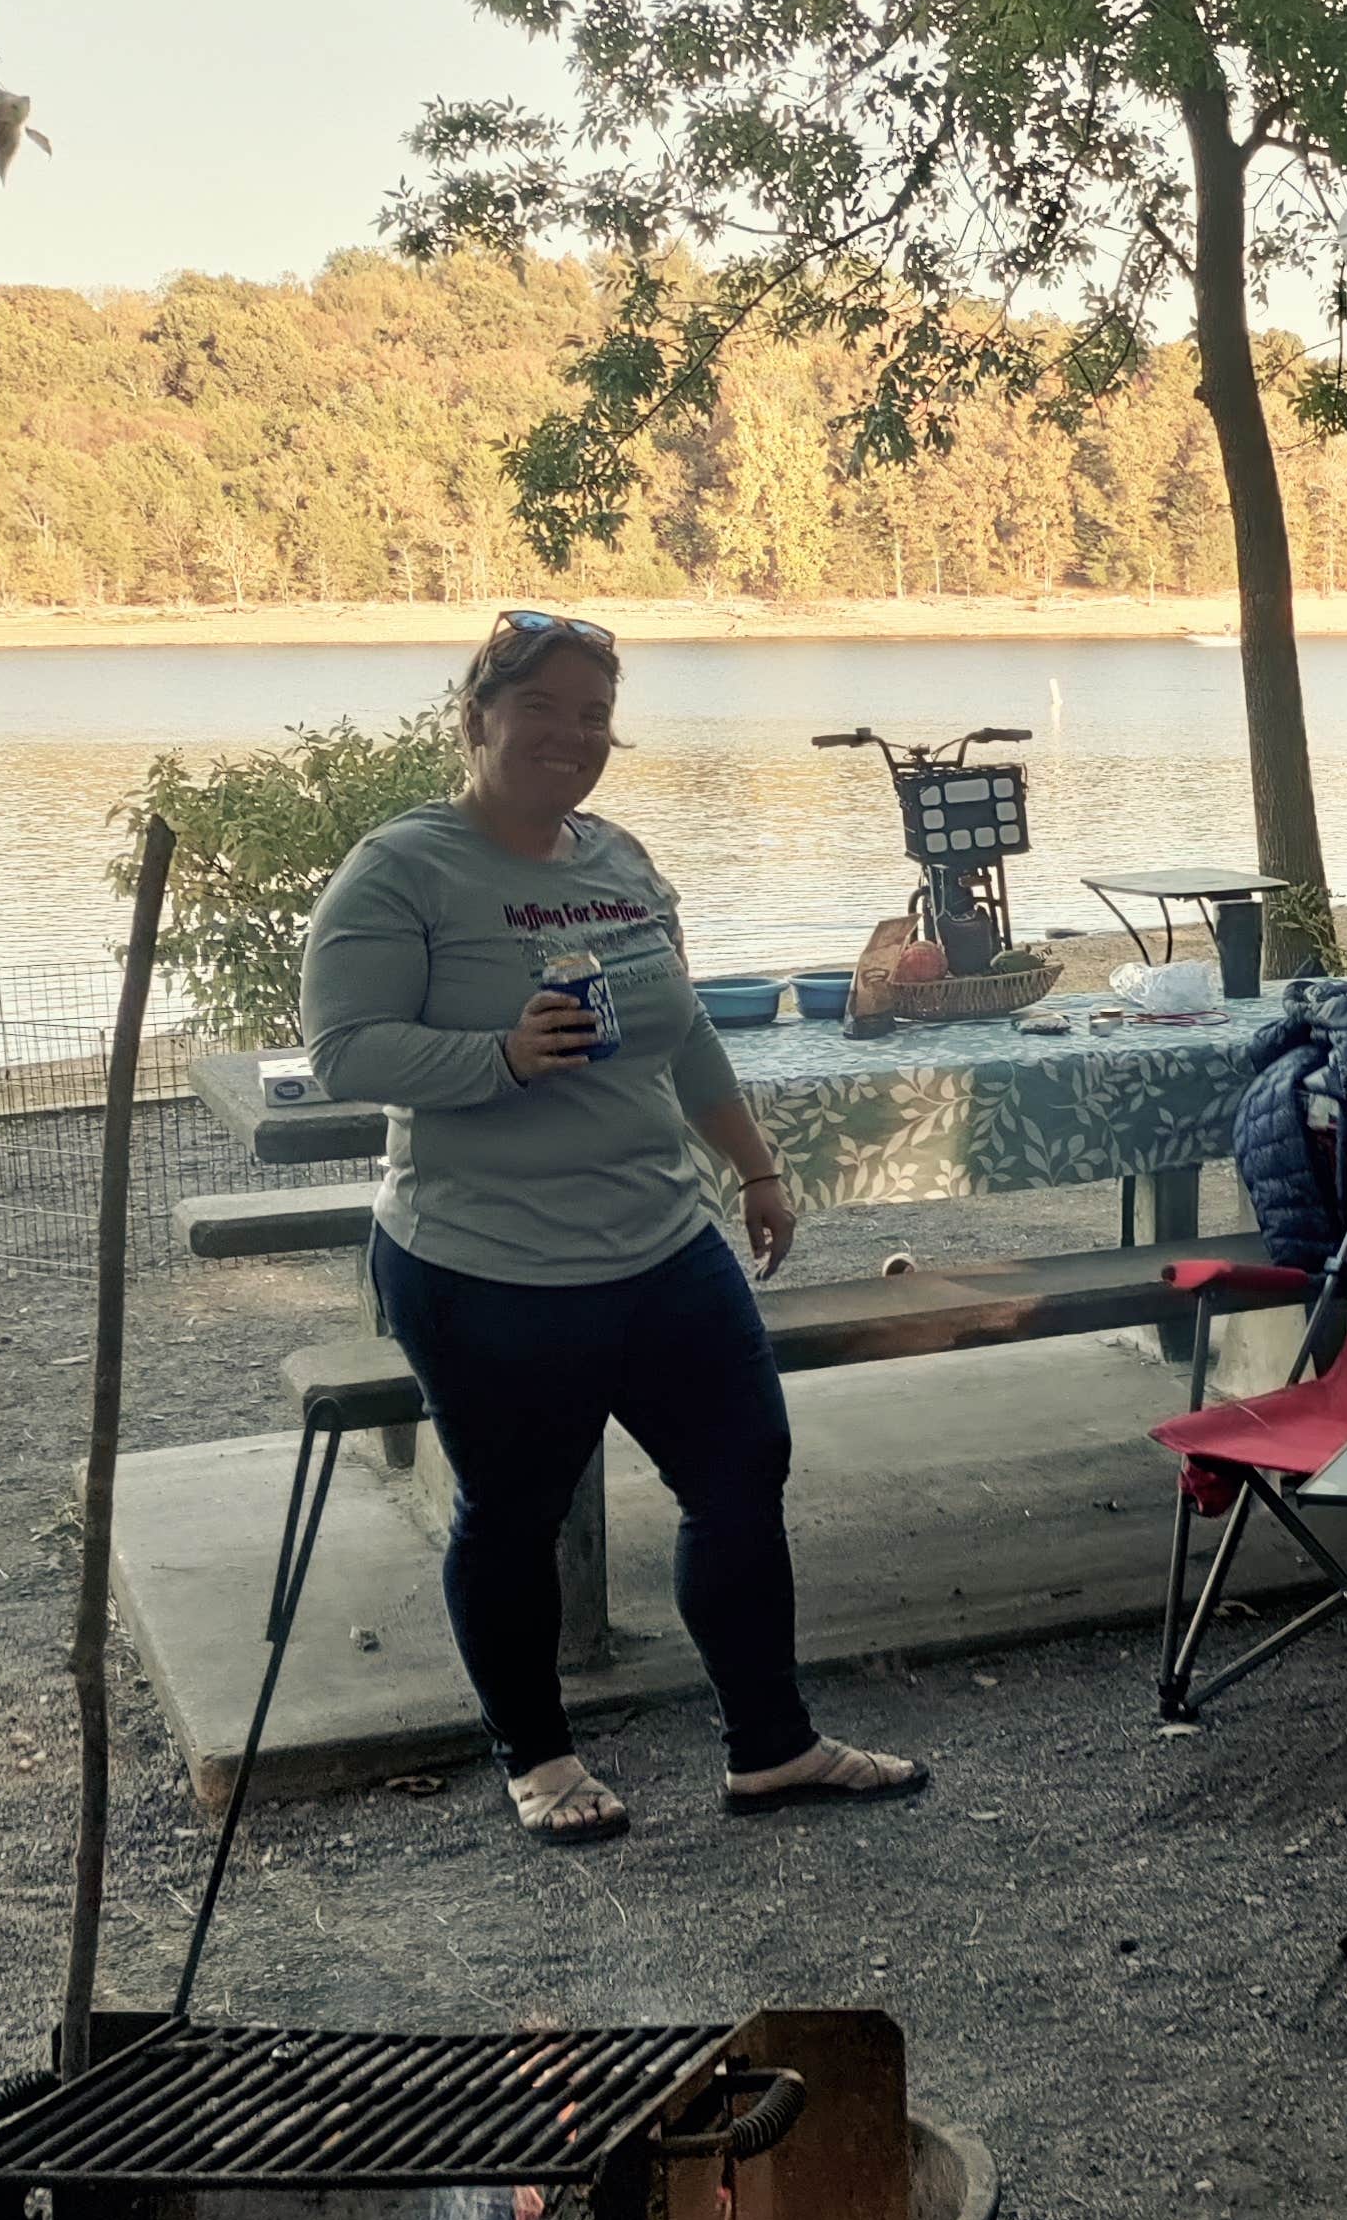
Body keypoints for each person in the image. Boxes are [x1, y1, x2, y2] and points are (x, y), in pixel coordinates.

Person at [302, 610, 929, 1845]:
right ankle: (537, 1759)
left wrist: (753, 1168)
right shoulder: (403, 866)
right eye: (542, 707)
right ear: (477, 715)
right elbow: (342, 1049)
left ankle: (773, 1746)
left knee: (742, 1475)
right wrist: (498, 1054)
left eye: (593, 714)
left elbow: (685, 1026)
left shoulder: (621, 861)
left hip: (660, 1241)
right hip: (487, 1261)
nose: (571, 735)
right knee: (515, 1512)